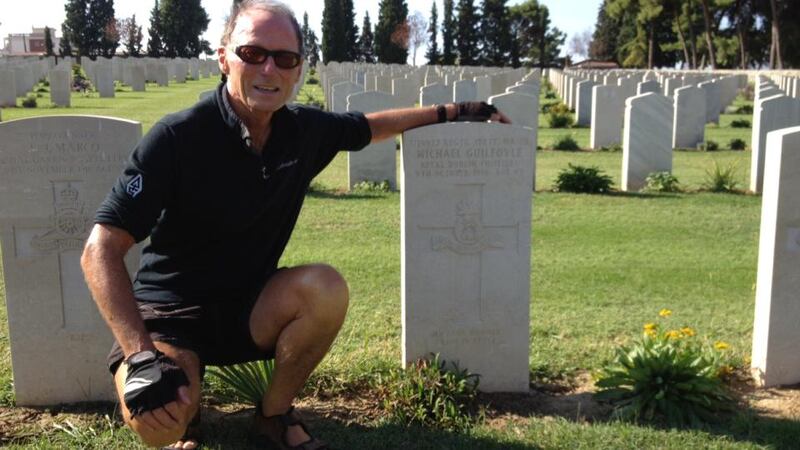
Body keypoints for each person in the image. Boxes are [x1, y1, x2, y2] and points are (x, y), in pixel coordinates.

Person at [80, 1, 510, 449]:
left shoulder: (302, 130)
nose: (269, 68)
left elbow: (369, 126)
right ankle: (184, 417)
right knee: (159, 420)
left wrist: (454, 111)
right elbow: (100, 250)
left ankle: (272, 415)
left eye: (285, 58)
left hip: (250, 307)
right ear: (224, 56)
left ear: (299, 68)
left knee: (324, 288)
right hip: (169, 317)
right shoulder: (177, 137)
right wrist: (140, 353)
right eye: (253, 53)